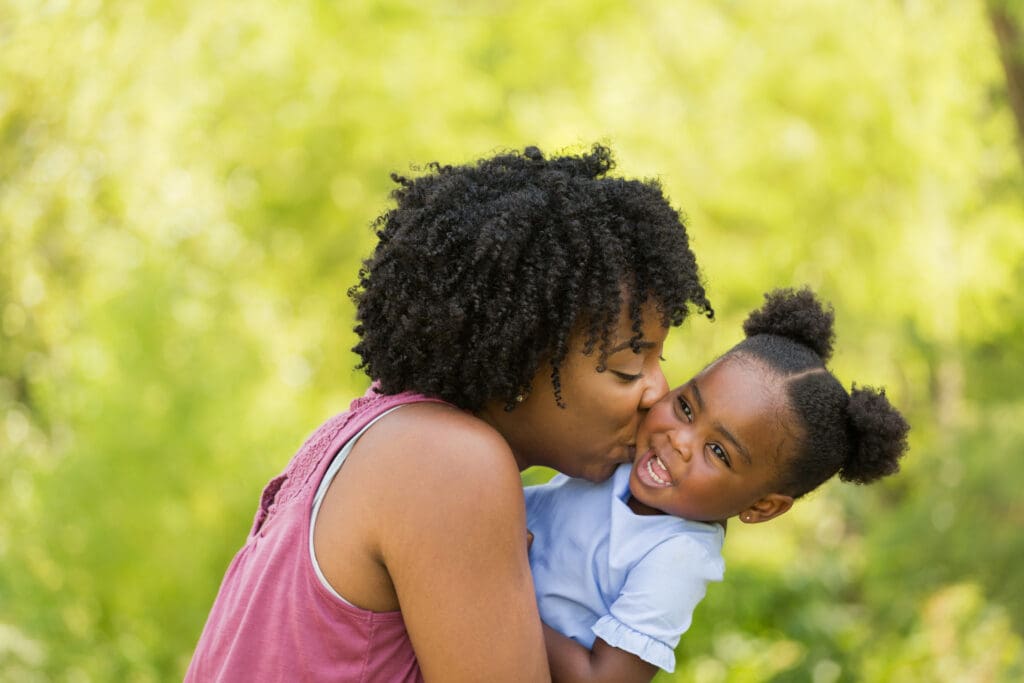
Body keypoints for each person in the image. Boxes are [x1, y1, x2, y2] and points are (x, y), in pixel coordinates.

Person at [184, 144, 714, 682]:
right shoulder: (450, 463)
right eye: (628, 367)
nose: (658, 392)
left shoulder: (380, 428)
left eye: (659, 359)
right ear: (521, 355)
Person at [524, 287, 910, 683]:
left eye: (719, 452)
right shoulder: (624, 452)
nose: (679, 440)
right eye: (686, 408)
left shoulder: (676, 557)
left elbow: (600, 679)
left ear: (762, 507)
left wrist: (506, 585)